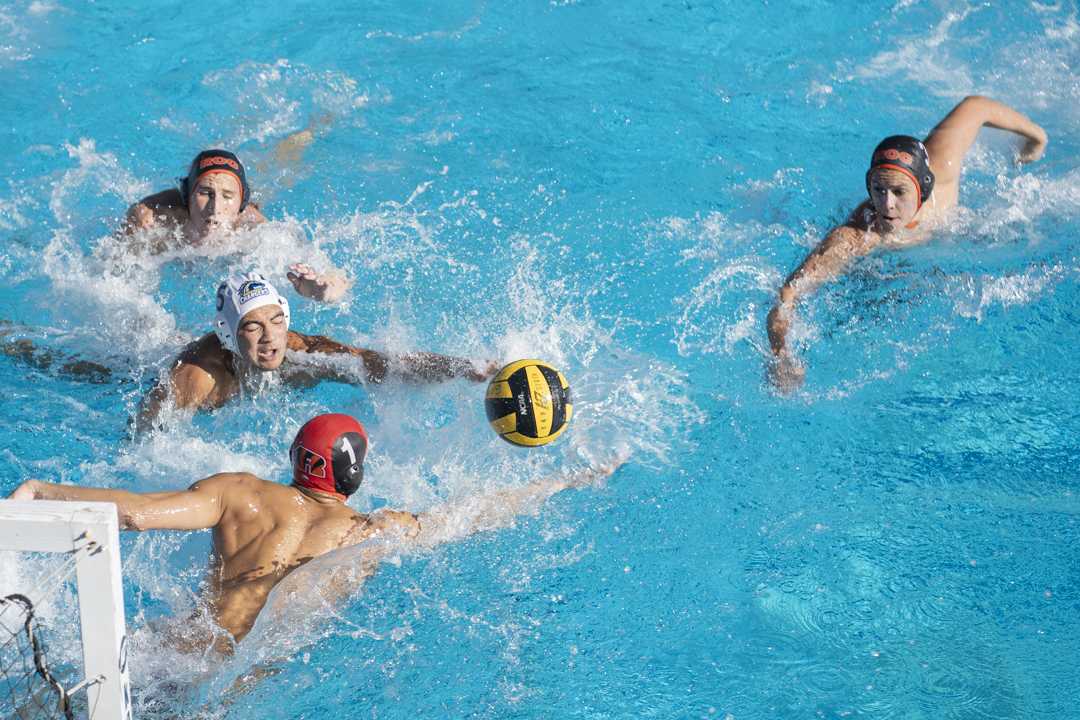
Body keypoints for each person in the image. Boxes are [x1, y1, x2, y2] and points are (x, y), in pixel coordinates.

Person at [7, 413, 619, 653]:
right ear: (352, 470)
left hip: (172, 647)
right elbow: (477, 513)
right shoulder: (371, 531)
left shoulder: (238, 492)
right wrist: (565, 483)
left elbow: (137, 514)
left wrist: (44, 493)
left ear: (298, 456)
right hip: (230, 676)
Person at [766, 96, 1048, 391]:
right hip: (876, 271)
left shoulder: (944, 169)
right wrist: (781, 355)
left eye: (899, 192)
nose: (886, 204)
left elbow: (976, 107)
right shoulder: (859, 236)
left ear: (923, 188)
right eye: (878, 189)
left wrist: (1037, 137)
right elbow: (789, 293)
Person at [135, 273, 492, 432]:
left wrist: (461, 367)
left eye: (276, 321)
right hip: (145, 359)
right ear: (229, 335)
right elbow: (141, 436)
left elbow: (381, 366)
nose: (270, 338)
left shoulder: (300, 353)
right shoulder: (198, 378)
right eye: (252, 326)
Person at [123, 149, 348, 302]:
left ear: (241, 203)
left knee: (282, 161)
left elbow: (331, 273)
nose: (215, 207)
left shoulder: (252, 230)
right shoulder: (161, 224)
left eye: (228, 196)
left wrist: (321, 289)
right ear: (187, 197)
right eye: (205, 193)